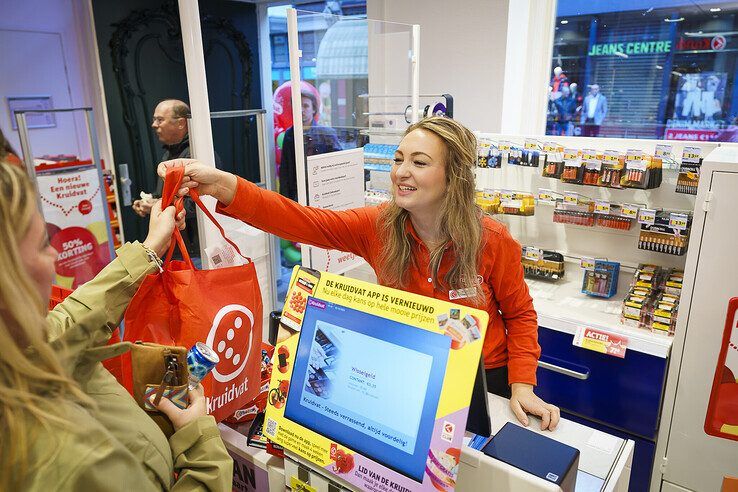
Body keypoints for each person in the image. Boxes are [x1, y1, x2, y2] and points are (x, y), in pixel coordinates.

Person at [161, 116, 561, 431]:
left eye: (419, 163)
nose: (401, 171)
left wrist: (521, 384)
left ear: (453, 176)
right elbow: (303, 222)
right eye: (398, 159)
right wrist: (223, 184)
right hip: (407, 371)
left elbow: (520, 315)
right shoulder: (379, 226)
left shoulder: (491, 239)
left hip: (480, 381)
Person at [0, 162, 232, 490]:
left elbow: (67, 322)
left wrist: (151, 249)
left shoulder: (20, 349)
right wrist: (199, 443)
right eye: (41, 244)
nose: (54, 253)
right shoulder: (76, 465)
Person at [133, 99, 201, 259]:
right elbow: (167, 196)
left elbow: (199, 203)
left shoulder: (196, 155)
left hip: (193, 251)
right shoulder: (169, 154)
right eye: (154, 119)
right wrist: (150, 203)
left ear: (181, 123)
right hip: (175, 248)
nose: (154, 125)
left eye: (160, 120)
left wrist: (157, 206)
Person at [279, 89, 342, 202]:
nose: (301, 110)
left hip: (324, 193)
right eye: (298, 106)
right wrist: (285, 202)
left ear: (313, 109)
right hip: (297, 193)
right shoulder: (290, 134)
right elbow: (285, 170)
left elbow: (339, 165)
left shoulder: (326, 133)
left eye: (306, 106)